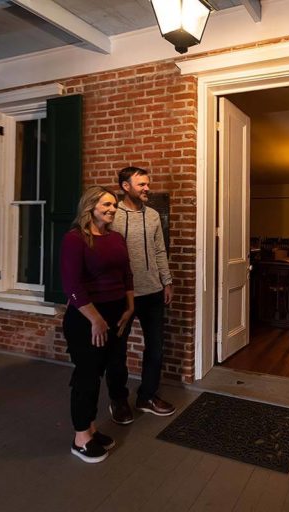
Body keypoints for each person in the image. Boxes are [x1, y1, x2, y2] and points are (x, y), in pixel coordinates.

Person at [60, 186, 135, 463]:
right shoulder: (75, 239)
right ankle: (80, 437)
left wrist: (130, 306)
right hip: (87, 317)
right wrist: (96, 319)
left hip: (117, 314)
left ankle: (91, 429)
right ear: (90, 206)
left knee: (107, 368)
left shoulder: (116, 238)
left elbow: (127, 274)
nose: (112, 209)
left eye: (114, 205)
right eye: (106, 204)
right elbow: (72, 285)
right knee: (87, 375)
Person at [108, 166, 176, 423]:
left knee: (156, 348)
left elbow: (160, 251)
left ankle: (146, 396)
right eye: (141, 185)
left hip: (153, 291)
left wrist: (166, 282)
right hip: (122, 294)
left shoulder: (154, 215)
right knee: (117, 350)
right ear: (126, 186)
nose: (147, 188)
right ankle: (118, 399)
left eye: (148, 184)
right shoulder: (112, 214)